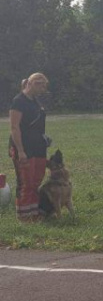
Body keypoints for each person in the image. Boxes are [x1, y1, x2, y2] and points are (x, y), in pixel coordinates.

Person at [8, 73, 50, 222]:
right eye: (39, 84)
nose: (42, 88)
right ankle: (24, 217)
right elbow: (14, 127)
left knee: (36, 180)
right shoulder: (18, 101)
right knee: (25, 181)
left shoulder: (35, 101)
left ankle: (34, 212)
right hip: (23, 147)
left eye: (44, 85)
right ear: (30, 83)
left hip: (38, 146)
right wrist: (20, 150)